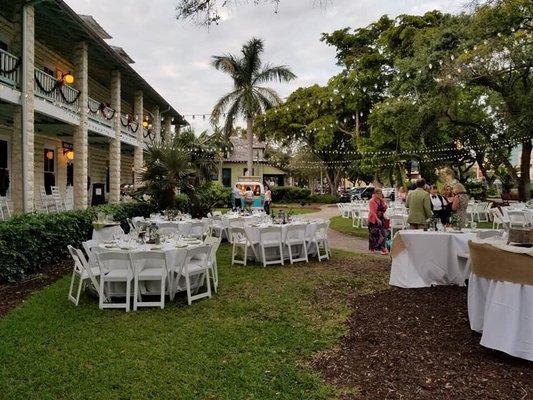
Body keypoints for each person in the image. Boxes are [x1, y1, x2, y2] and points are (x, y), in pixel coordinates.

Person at [368, 188, 389, 255]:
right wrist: (377, 219)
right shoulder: (372, 201)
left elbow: (383, 210)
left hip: (381, 219)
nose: (380, 194)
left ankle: (382, 249)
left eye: (380, 193)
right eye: (378, 193)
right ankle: (372, 248)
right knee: (373, 234)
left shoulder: (381, 201)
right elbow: (372, 212)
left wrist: (385, 207)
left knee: (382, 234)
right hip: (373, 220)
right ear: (375, 194)